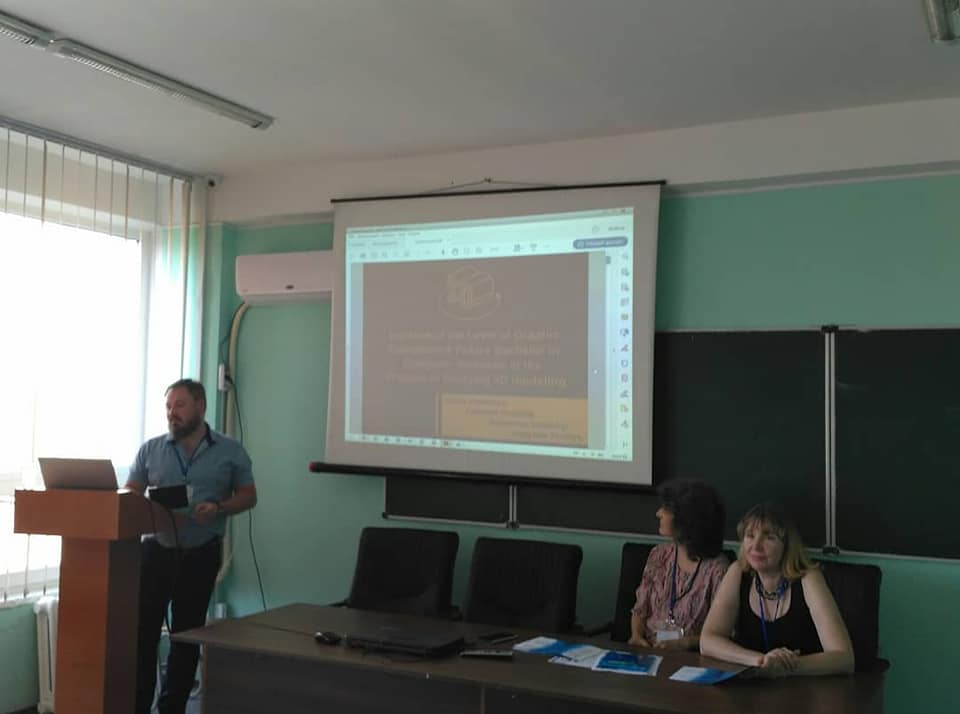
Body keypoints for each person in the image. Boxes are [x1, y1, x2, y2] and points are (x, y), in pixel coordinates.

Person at [126, 378, 258, 714]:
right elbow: (130, 494)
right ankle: (137, 706)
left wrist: (219, 508)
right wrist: (144, 506)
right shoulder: (150, 450)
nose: (172, 413)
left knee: (186, 636)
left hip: (200, 552)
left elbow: (248, 496)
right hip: (156, 552)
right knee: (142, 635)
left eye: (180, 405)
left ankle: (172, 708)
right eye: (168, 407)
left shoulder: (230, 451)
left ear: (200, 406)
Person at [700, 502, 854, 677]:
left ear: (787, 546)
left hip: (805, 686)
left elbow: (844, 658)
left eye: (769, 538)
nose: (756, 546)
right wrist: (761, 661)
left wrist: (784, 667)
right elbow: (708, 641)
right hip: (752, 684)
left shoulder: (809, 578)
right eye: (750, 535)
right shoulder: (737, 572)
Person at [629, 478, 729, 650]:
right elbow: (640, 609)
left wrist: (685, 643)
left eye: (666, 509)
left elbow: (723, 633)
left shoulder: (717, 569)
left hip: (691, 656)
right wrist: (636, 636)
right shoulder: (658, 554)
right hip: (649, 650)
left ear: (687, 519)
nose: (658, 513)